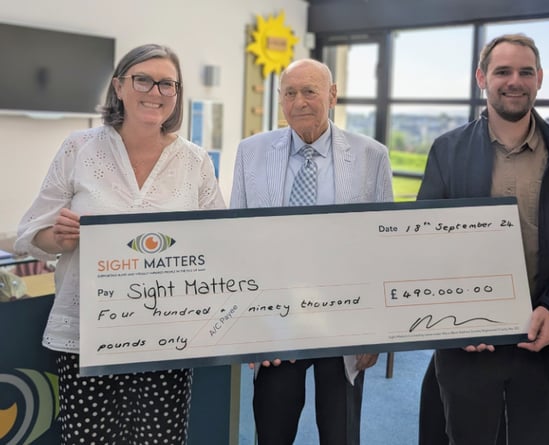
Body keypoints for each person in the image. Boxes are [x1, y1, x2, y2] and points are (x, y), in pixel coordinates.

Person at [14, 43, 225, 445]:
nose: (155, 91)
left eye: (167, 84)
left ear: (177, 94)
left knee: (161, 439)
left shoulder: (196, 161)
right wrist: (57, 237)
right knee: (88, 438)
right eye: (143, 79)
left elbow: (218, 243)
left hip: (166, 336)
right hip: (87, 337)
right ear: (119, 87)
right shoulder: (79, 148)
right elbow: (30, 234)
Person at [416, 34, 549, 445]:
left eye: (525, 72)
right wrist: (457, 315)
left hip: (548, 339)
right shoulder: (446, 151)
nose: (514, 81)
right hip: (469, 342)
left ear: (539, 79)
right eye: (502, 71)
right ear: (481, 78)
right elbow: (427, 244)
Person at [230, 58, 393, 445]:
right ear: (280, 100)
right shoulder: (251, 153)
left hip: (347, 320)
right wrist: (247, 328)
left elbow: (384, 246)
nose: (300, 101)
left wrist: (378, 333)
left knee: (340, 434)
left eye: (310, 91)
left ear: (332, 95)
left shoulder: (371, 156)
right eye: (290, 93)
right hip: (275, 320)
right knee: (273, 430)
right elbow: (236, 241)